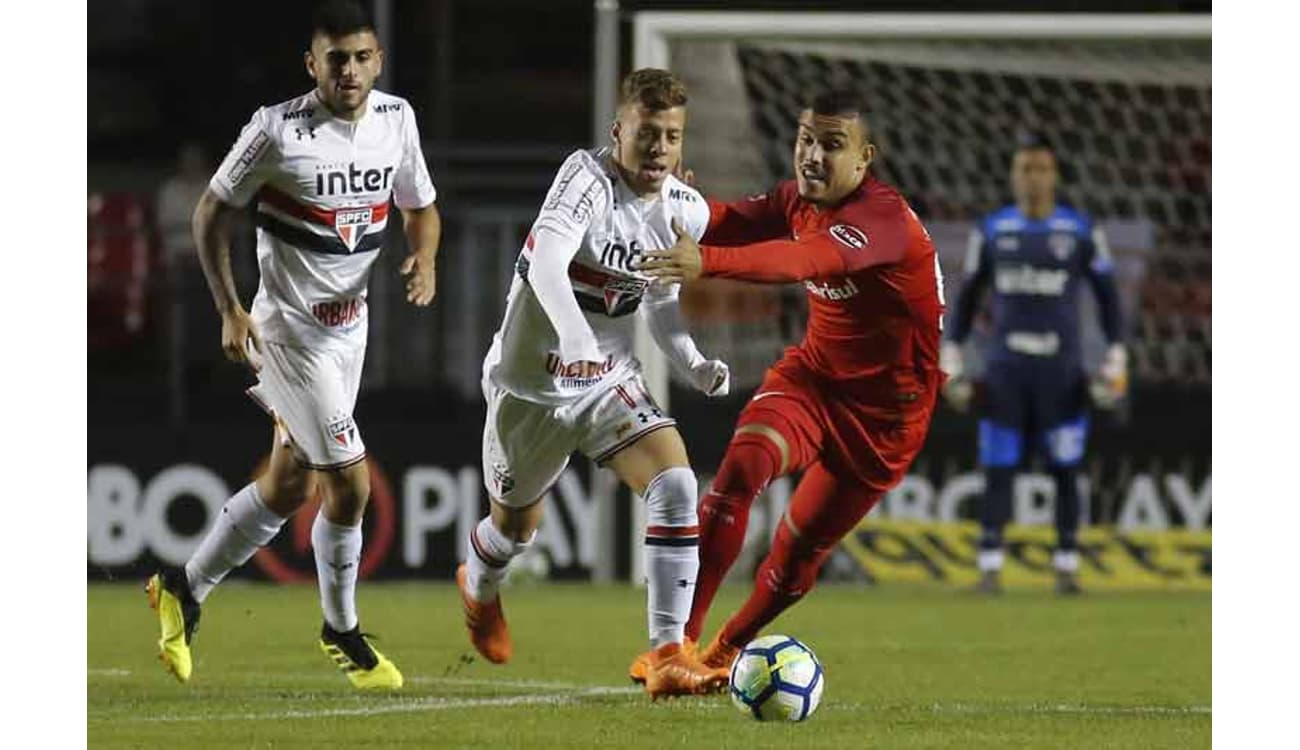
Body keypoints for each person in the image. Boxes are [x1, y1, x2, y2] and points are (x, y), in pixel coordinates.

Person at [145, 0, 441, 690]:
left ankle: (182, 588)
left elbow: (421, 206)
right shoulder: (276, 131)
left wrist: (424, 257)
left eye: (362, 56)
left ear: (378, 60)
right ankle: (340, 629)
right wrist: (229, 308)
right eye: (335, 58)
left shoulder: (397, 120)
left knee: (289, 484)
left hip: (350, 330)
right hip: (288, 334)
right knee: (349, 483)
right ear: (312, 64)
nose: (349, 70)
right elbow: (211, 212)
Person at [628, 89, 945, 680]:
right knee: (740, 473)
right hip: (814, 380)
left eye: (832, 144)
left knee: (797, 552)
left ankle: (727, 648)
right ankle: (675, 649)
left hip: (886, 420)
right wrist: (686, 206)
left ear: (863, 158)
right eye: (806, 140)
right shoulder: (794, 199)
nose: (814, 156)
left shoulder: (882, 220)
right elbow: (731, 221)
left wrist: (708, 263)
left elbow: (799, 262)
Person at [456, 68, 732, 699]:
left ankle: (667, 653)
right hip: (529, 389)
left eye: (671, 136)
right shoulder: (584, 179)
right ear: (618, 131)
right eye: (646, 133)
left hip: (607, 383)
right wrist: (575, 339)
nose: (659, 148)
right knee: (514, 531)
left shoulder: (684, 209)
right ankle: (479, 584)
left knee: (677, 485)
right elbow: (548, 266)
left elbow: (659, 297)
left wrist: (689, 358)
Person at [939, 133, 1126, 596]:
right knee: (998, 466)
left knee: (1065, 466)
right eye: (1024, 169)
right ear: (1013, 175)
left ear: (1054, 174)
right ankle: (989, 566)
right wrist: (952, 349)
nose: (1033, 178)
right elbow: (969, 296)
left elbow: (1108, 299)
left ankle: (1066, 565)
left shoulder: (1081, 230)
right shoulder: (993, 229)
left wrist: (1117, 351)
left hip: (1062, 371)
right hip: (1006, 370)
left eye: (1041, 168)